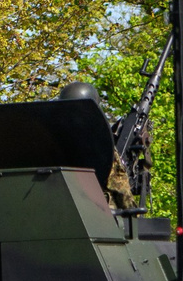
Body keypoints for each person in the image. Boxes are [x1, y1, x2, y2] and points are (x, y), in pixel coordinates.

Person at [58, 81, 137, 210]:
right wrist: (134, 215)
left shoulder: (53, 141)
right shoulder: (100, 144)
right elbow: (119, 187)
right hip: (99, 214)